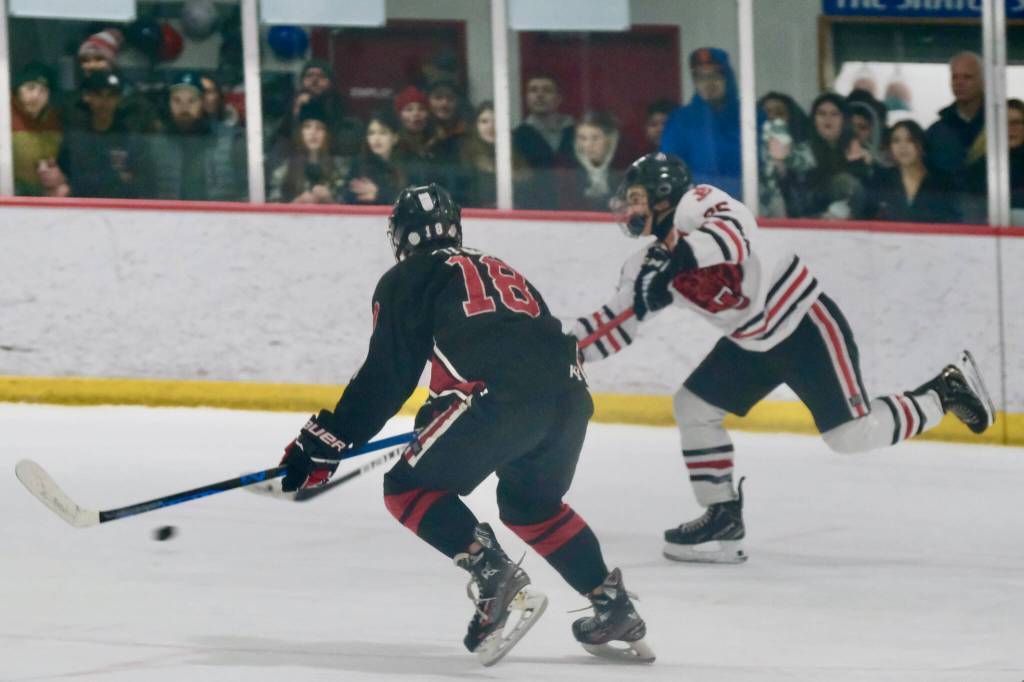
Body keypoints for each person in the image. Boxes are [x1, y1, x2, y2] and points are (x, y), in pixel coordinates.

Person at [276, 184, 654, 665]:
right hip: (570, 395)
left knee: (406, 488)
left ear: (401, 237)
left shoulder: (407, 278)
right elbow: (508, 344)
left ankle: (492, 572)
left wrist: (326, 440)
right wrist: (440, 411)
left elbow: (387, 376)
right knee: (530, 506)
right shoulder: (496, 265)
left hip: (497, 399)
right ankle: (613, 605)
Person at [572, 152, 995, 564]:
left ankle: (943, 392)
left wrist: (675, 266)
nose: (629, 207)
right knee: (694, 405)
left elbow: (737, 233)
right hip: (751, 343)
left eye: (638, 197)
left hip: (803, 321)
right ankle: (722, 516)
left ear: (664, 196)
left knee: (851, 435)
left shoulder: (698, 202)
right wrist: (559, 350)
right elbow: (615, 323)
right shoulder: (645, 265)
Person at [149, 71, 246, 201]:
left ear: (202, 103)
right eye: (177, 100)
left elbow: (246, 192)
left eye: (191, 100)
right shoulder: (155, 144)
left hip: (220, 218)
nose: (184, 107)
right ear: (169, 104)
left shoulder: (231, 140)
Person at [53, 70, 151, 198]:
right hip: (80, 210)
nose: (104, 102)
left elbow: (143, 183)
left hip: (120, 211)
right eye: (98, 95)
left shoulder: (131, 139)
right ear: (87, 97)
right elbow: (64, 176)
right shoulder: (75, 138)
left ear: (118, 99)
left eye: (111, 95)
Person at [660, 47, 741, 197]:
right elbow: (670, 168)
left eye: (715, 75)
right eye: (700, 77)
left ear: (728, 78)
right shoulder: (681, 119)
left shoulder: (749, 116)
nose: (708, 83)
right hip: (696, 205)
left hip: (747, 205)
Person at [785, 93, 874, 220]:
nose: (828, 119)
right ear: (814, 119)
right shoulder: (802, 152)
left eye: (834, 114)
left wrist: (857, 163)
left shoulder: (860, 151)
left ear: (844, 119)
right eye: (822, 114)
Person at [868, 120, 959, 223]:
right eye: (896, 141)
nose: (903, 146)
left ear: (921, 145)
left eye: (910, 140)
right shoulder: (881, 181)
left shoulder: (942, 183)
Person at [512, 74, 575, 208]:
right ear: (526, 98)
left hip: (575, 207)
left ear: (559, 98)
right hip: (533, 209)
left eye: (547, 90)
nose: (539, 95)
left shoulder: (577, 133)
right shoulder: (517, 137)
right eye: (533, 90)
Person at [268, 100, 349, 204]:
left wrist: (329, 201)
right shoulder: (285, 166)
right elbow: (273, 206)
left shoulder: (341, 166)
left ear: (327, 134)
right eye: (307, 127)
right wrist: (296, 204)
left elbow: (349, 207)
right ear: (300, 132)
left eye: (319, 128)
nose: (313, 133)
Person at [456, 100, 531, 208]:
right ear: (475, 126)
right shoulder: (464, 156)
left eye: (497, 121)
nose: (491, 126)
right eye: (484, 121)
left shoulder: (517, 156)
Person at [926, 52, 985, 180]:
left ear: (983, 81)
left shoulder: (1003, 125)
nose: (959, 83)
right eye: (954, 77)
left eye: (967, 77)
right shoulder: (936, 132)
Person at [756, 91, 814, 217]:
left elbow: (809, 171)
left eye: (779, 113)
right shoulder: (749, 152)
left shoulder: (804, 148)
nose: (772, 118)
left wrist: (786, 158)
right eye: (766, 113)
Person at [11, 62, 62, 197]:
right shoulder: (5, 115)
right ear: (17, 90)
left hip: (42, 196)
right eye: (30, 88)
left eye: (43, 91)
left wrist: (60, 178)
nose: (36, 96)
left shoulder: (54, 120)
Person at [557, 110, 624, 212]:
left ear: (611, 139)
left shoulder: (624, 168)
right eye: (582, 138)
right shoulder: (567, 171)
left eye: (595, 138)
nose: (588, 145)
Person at [342, 108, 405, 205]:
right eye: (371, 133)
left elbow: (413, 201)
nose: (376, 139)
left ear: (395, 137)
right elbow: (346, 196)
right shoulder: (358, 165)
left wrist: (380, 194)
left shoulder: (407, 165)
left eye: (382, 133)